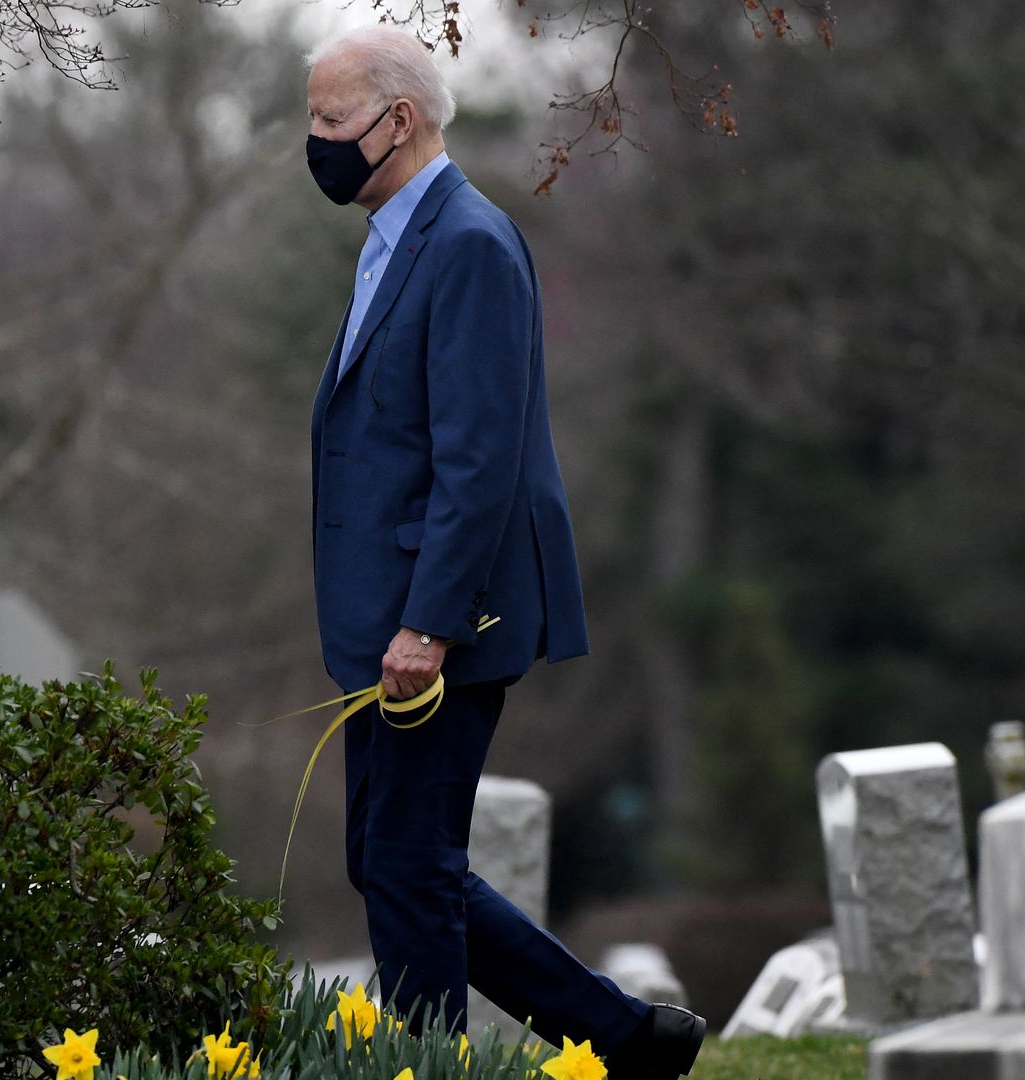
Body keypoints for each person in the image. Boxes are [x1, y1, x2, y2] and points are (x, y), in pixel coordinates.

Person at [302, 26, 705, 1080]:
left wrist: (427, 623)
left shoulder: (469, 243)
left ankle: (443, 1069)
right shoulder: (393, 236)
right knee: (386, 862)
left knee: (407, 864)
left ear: (400, 120)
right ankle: (627, 1039)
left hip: (440, 619)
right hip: (382, 618)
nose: (317, 140)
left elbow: (479, 462)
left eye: (332, 121)